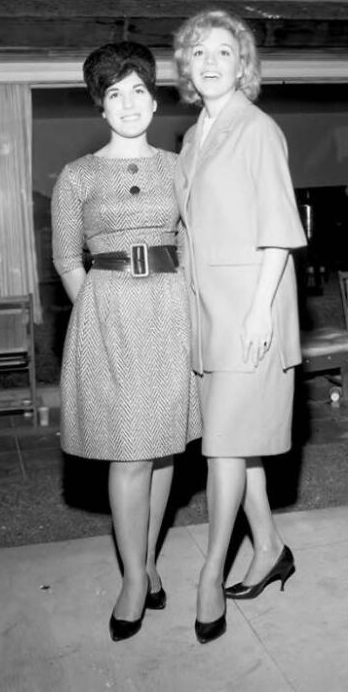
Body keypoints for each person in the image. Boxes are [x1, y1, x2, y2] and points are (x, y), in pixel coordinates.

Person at [51, 41, 201, 642]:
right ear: (101, 106)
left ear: (155, 97)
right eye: (115, 92)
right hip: (109, 313)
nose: (129, 102)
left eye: (138, 88)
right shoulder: (78, 175)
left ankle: (149, 562)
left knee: (163, 448)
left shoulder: (176, 167)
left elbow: (192, 245)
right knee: (128, 452)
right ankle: (133, 578)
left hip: (170, 308)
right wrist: (99, 308)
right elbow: (66, 259)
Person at [173, 9, 307, 644]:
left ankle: (209, 573)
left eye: (223, 52)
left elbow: (279, 227)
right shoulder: (195, 136)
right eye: (199, 52)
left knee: (222, 445)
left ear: (242, 65)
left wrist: (259, 311)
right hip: (207, 312)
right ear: (187, 67)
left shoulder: (257, 129)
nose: (209, 61)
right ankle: (270, 547)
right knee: (238, 439)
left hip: (250, 307)